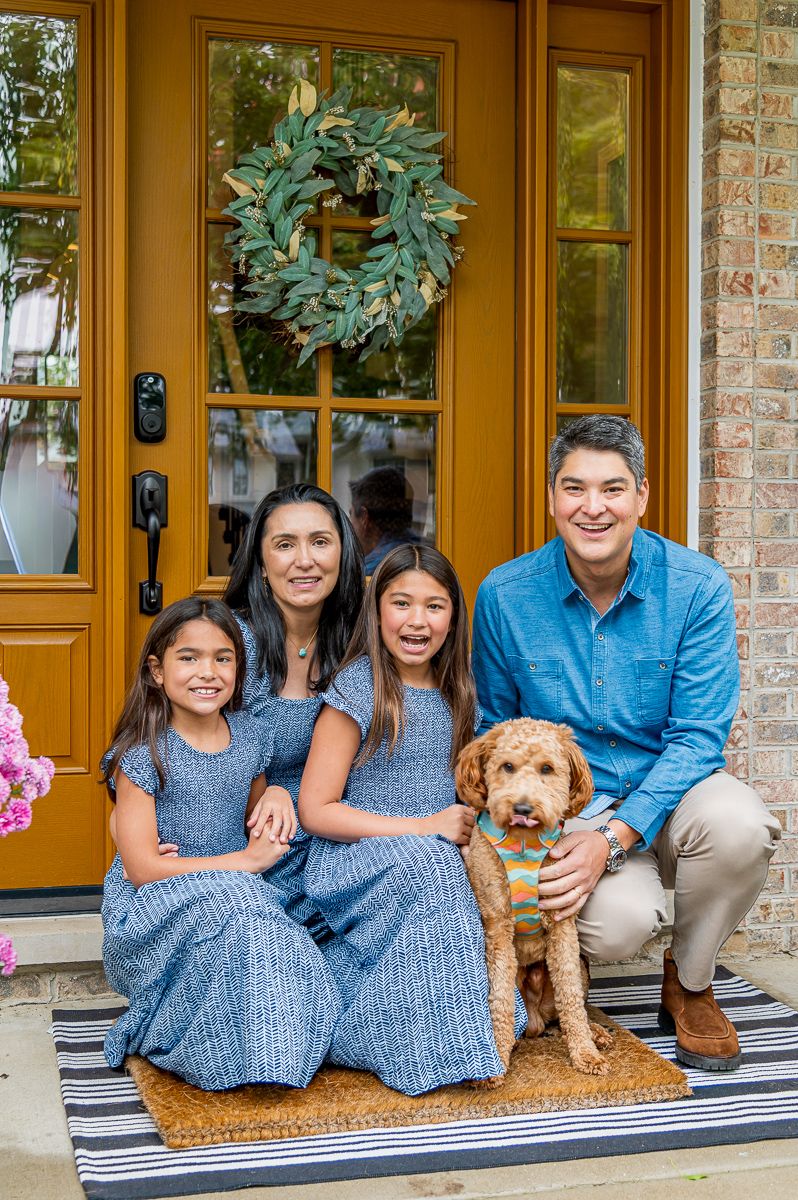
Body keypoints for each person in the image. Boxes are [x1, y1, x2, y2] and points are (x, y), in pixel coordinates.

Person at [472, 414, 781, 1072]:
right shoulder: (505, 594)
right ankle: (566, 961)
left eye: (612, 490)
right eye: (574, 489)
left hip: (675, 790)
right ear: (553, 497)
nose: (593, 508)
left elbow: (699, 738)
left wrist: (611, 839)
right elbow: (494, 728)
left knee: (741, 824)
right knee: (617, 928)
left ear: (641, 495)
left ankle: (691, 982)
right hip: (573, 805)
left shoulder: (696, 586)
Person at [298, 544, 526, 1095]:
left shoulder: (461, 691)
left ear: (454, 615)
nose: (417, 621)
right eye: (401, 604)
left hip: (432, 859)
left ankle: (385, 1028)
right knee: (434, 866)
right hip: (354, 859)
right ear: (377, 613)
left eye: (435, 605)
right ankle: (438, 1051)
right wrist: (423, 828)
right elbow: (315, 809)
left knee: (451, 879)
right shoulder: (359, 689)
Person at [100, 596, 341, 1091]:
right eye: (188, 658)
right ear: (156, 672)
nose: (207, 672)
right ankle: (192, 1040)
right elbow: (140, 868)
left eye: (222, 658)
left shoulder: (249, 735)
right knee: (245, 902)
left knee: (268, 911)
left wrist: (275, 789)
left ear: (239, 667)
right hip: (153, 908)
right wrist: (245, 862)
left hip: (230, 896)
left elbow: (256, 803)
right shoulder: (143, 755)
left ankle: (276, 1046)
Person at [223, 483, 365, 938]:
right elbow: (177, 755)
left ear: (342, 554)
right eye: (284, 545)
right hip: (240, 839)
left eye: (320, 542)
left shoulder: (362, 644)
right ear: (261, 564)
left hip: (328, 843)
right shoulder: (230, 645)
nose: (304, 560)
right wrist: (266, 787)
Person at [348, 465, 421, 573]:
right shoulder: (420, 552)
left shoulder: (366, 572)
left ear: (364, 517)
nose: (349, 523)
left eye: (351, 515)